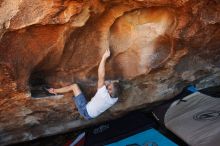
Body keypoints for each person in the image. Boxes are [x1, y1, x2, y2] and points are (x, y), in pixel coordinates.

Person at [47, 48, 121, 120]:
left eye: (109, 86)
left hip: (85, 111)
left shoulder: (103, 94)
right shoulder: (115, 99)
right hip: (92, 116)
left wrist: (104, 57)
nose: (109, 84)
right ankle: (92, 102)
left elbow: (101, 75)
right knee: (102, 87)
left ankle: (55, 91)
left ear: (109, 90)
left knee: (74, 86)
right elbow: (111, 86)